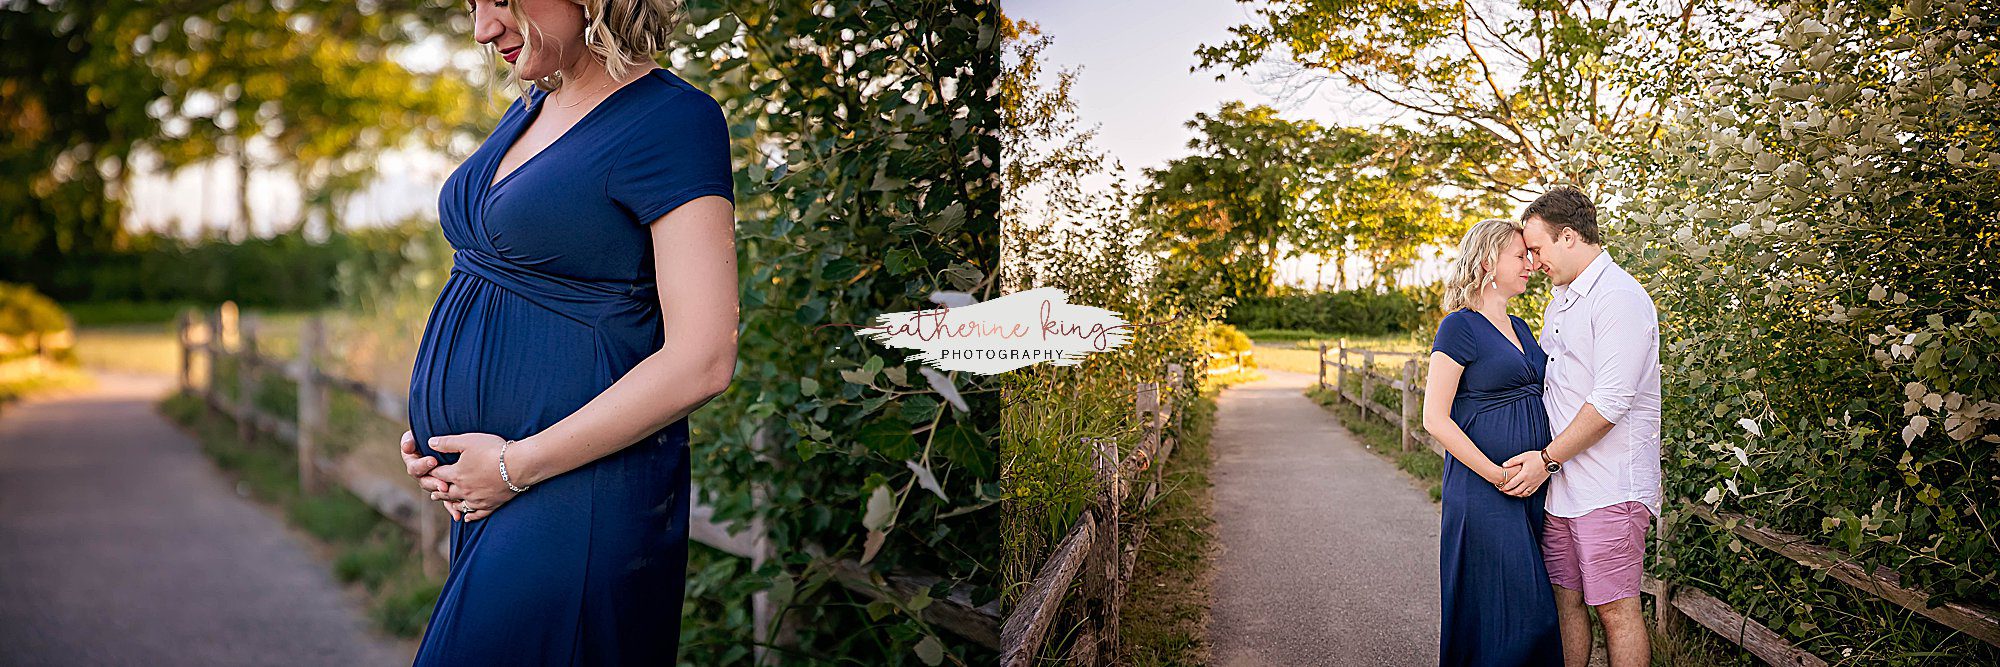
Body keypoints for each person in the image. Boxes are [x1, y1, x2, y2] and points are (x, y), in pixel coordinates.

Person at [392, 0, 740, 663]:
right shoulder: (531, 107)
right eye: (473, 5)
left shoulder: (673, 121)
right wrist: (440, 440)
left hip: (572, 491)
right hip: (501, 495)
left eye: (501, 1)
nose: (482, 29)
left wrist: (510, 466)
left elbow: (705, 357)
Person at [1496, 186, 1662, 667]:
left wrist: (1547, 459)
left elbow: (1610, 403)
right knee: (1565, 604)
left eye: (1538, 248)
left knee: (1616, 610)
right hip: (1563, 487)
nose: (1533, 260)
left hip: (1609, 487)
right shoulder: (1563, 300)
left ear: (1568, 237)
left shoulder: (1619, 298)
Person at [1422, 218, 1565, 666]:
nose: (1530, 264)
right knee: (1523, 616)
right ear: (1488, 261)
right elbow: (1434, 418)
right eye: (1520, 256)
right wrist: (1498, 474)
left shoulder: (1522, 327)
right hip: (1485, 490)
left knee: (1519, 614)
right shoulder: (1459, 327)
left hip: (1532, 488)